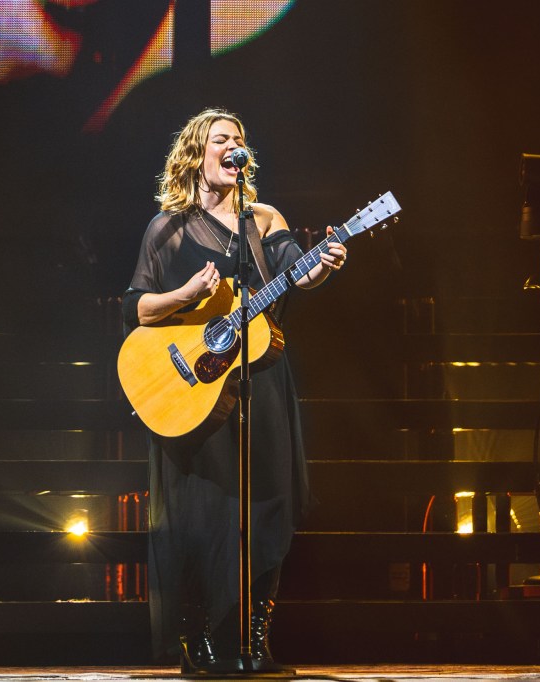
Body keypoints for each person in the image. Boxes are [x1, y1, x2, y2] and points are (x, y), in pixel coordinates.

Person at [121, 108, 347, 672]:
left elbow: (299, 270)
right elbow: (137, 307)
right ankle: (198, 643)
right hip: (197, 390)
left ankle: (254, 642)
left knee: (268, 507)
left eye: (239, 140)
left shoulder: (264, 218)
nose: (233, 146)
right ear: (198, 153)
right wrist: (188, 293)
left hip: (263, 382)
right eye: (221, 139)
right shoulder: (168, 227)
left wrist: (324, 263)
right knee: (202, 516)